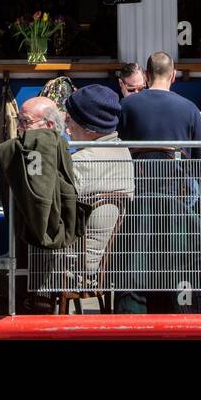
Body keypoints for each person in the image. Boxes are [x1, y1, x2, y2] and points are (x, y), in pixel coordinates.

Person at [64, 85, 135, 275]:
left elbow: (46, 205)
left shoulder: (80, 161)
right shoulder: (122, 151)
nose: (67, 127)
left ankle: (34, 303)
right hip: (105, 264)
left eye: (69, 119)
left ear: (88, 128)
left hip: (71, 266)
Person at [118, 52, 201, 157]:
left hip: (136, 172)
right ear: (173, 75)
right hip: (178, 173)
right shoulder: (190, 108)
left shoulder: (125, 105)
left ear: (146, 75)